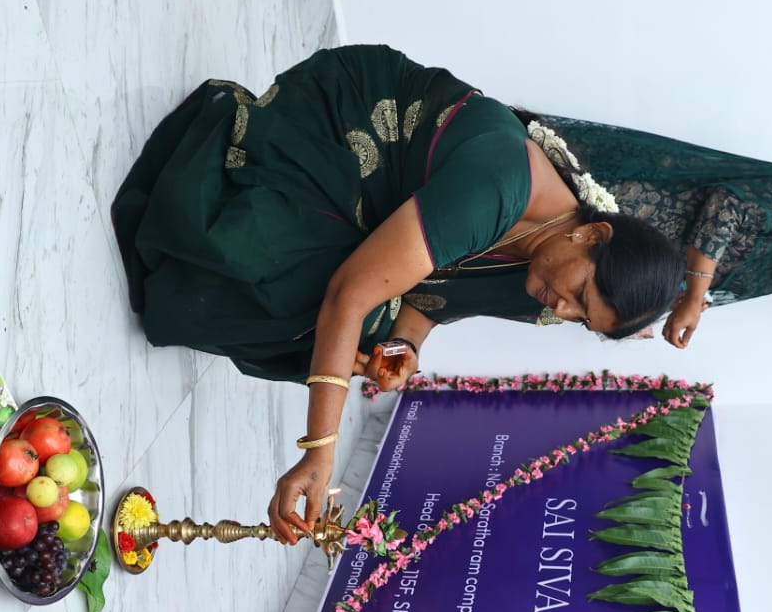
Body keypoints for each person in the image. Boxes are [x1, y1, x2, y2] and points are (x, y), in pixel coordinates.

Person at [111, 45, 682, 541]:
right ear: (592, 234)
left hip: (384, 213)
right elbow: (350, 293)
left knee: (362, 338)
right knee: (315, 293)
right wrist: (320, 448)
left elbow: (433, 301)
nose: (562, 308)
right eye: (579, 293)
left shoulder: (545, 278)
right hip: (347, 129)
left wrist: (403, 348)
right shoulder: (499, 186)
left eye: (582, 318)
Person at [515, 113, 772, 348]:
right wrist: (694, 295)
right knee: (503, 207)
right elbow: (726, 205)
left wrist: (653, 310)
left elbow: (690, 284)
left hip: (593, 269)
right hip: (601, 206)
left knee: (519, 279)